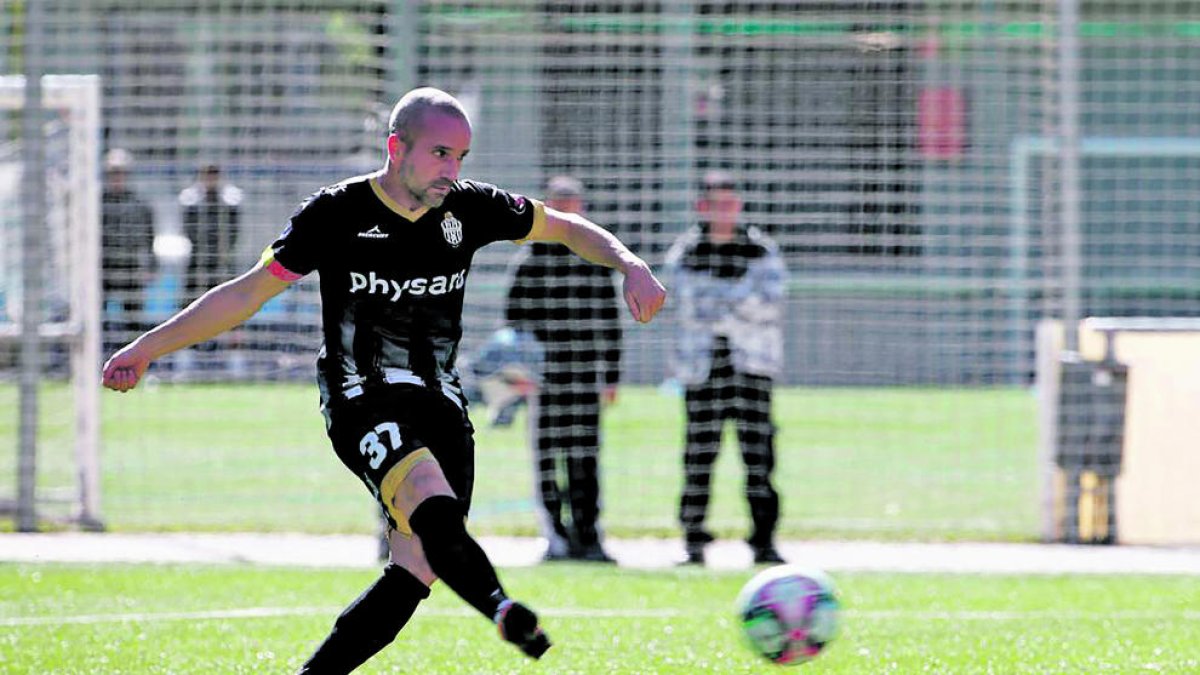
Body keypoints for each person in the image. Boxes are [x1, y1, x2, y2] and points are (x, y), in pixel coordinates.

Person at [102, 87, 666, 673]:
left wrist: (631, 264)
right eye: (440, 154)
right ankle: (501, 608)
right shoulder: (335, 213)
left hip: (441, 400)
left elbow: (566, 227)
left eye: (461, 157)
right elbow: (246, 293)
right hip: (360, 395)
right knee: (425, 495)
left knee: (416, 569)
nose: (451, 171)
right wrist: (147, 348)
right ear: (396, 148)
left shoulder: (471, 207)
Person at [663, 170, 787, 566]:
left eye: (731, 204)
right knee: (699, 456)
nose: (724, 211)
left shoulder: (760, 250)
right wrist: (737, 300)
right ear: (703, 207)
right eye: (716, 204)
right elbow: (683, 302)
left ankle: (764, 541)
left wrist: (718, 305)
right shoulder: (687, 251)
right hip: (703, 369)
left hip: (751, 368)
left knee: (759, 457)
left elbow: (771, 301)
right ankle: (694, 539)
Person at [505, 176, 622, 563]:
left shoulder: (596, 259)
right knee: (546, 458)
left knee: (584, 457)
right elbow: (513, 326)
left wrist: (611, 376)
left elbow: (610, 323)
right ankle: (554, 537)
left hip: (585, 377)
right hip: (543, 381)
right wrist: (517, 376)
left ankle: (589, 536)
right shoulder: (529, 262)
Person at [100, 148, 156, 355]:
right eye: (113, 172)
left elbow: (150, 238)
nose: (117, 177)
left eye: (121, 172)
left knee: (133, 316)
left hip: (131, 266)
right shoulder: (98, 204)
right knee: (99, 316)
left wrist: (150, 266)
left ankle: (132, 356)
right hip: (104, 266)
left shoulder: (139, 204)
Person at [179, 163, 242, 305]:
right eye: (207, 175)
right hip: (198, 258)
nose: (211, 179)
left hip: (223, 258)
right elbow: (188, 229)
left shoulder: (229, 201)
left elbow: (234, 231)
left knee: (226, 302)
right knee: (192, 302)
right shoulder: (192, 202)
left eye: (214, 175)